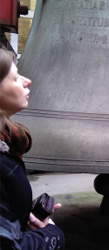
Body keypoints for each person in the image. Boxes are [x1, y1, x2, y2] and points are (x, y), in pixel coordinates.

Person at [0, 47, 65, 249]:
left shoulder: (8, 143)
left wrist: (15, 215)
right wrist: (51, 234)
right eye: (15, 77)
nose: (27, 81)